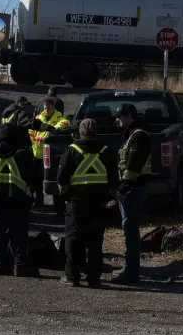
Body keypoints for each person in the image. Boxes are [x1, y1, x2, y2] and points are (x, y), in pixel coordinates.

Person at [57, 117, 117, 286]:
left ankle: (72, 276)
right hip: (99, 203)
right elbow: (114, 179)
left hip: (76, 202)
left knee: (74, 239)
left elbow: (62, 178)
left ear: (79, 132)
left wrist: (66, 195)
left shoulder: (72, 151)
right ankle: (94, 278)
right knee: (95, 241)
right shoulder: (106, 151)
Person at [0, 113, 41, 276]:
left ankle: (0, 265)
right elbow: (34, 177)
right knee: (19, 234)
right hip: (19, 201)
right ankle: (19, 266)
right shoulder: (23, 154)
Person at [115, 102, 153, 284]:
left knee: (130, 230)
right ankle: (130, 267)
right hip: (132, 188)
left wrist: (124, 186)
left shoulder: (139, 136)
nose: (117, 119)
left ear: (129, 116)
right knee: (128, 229)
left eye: (120, 116)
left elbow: (134, 164)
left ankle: (131, 272)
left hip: (134, 188)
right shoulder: (132, 135)